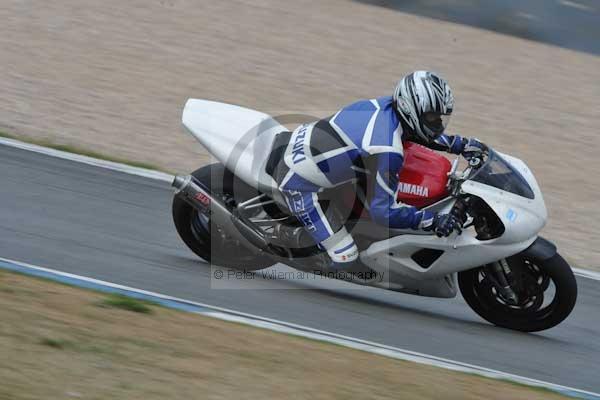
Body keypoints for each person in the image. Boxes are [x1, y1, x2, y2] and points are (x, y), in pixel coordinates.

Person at [270, 71, 486, 270]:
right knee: (346, 257)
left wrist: (460, 144)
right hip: (297, 180)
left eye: (441, 117)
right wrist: (432, 220)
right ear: (411, 109)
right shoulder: (387, 149)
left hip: (310, 148)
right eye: (432, 117)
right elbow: (383, 213)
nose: (438, 123)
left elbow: (419, 132)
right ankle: (290, 239)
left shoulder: (388, 107)